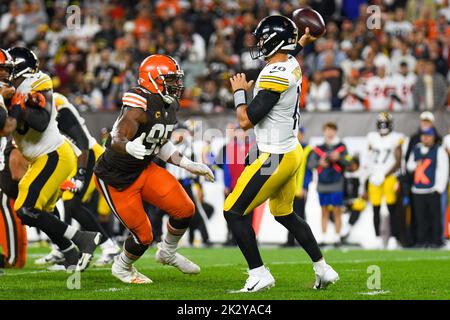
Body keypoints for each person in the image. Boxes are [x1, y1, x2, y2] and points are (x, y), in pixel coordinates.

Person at [225, 15, 338, 293]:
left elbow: (245, 121)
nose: (260, 43)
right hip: (291, 151)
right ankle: (323, 269)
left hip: (274, 157)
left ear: (275, 42)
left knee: (233, 212)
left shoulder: (277, 73)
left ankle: (259, 273)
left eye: (263, 39)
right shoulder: (289, 63)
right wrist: (303, 41)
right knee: (284, 213)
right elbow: (288, 53)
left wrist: (240, 94)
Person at [94, 54, 214, 284]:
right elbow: (117, 136)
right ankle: (122, 267)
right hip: (116, 178)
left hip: (143, 168)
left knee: (185, 209)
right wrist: (128, 146)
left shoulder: (168, 104)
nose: (176, 85)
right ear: (152, 79)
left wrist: (187, 164)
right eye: (170, 79)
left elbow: (159, 140)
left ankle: (167, 252)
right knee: (143, 237)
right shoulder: (139, 102)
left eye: (176, 79)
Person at [0, 47, 100, 271]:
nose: (5, 75)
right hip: (40, 158)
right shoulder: (5, 93)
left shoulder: (36, 81)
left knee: (25, 208)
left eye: (7, 70)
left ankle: (82, 239)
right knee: (37, 212)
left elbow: (41, 121)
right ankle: (72, 253)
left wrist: (18, 104)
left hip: (54, 154)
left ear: (18, 69)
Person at [35, 92, 120, 268]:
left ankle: (95, 247)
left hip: (86, 156)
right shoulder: (38, 107)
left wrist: (80, 174)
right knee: (57, 204)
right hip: (69, 159)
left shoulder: (56, 104)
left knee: (70, 204)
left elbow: (82, 142)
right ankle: (65, 249)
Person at [366, 112, 404, 249]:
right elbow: (369, 157)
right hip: (375, 176)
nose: (383, 126)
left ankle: (393, 238)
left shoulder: (396, 138)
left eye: (385, 123)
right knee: (375, 208)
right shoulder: (372, 137)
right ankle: (377, 238)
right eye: (381, 123)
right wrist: (372, 173)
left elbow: (398, 161)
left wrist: (384, 174)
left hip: (389, 177)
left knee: (392, 208)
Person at [309, 122, 350, 245]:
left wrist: (339, 159)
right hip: (322, 183)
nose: (330, 133)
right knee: (324, 211)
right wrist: (319, 163)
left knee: (337, 210)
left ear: (335, 131)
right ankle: (323, 236)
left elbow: (348, 163)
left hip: (337, 182)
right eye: (327, 130)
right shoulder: (318, 148)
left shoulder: (341, 147)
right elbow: (310, 164)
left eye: (332, 130)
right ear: (324, 132)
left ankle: (337, 237)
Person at [407, 127, 448, 247]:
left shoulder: (439, 149)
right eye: (424, 135)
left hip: (432, 189)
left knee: (435, 217)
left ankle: (436, 241)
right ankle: (421, 240)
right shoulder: (417, 149)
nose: (426, 138)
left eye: (428, 136)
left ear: (433, 137)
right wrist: (416, 164)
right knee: (420, 218)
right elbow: (409, 167)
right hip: (418, 189)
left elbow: (443, 169)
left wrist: (439, 188)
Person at [0, 137, 28, 268]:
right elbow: (17, 174)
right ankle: (11, 257)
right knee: (14, 261)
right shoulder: (15, 141)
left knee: (20, 261)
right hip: (5, 189)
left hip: (11, 190)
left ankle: (14, 257)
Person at [284, 125, 312, 247]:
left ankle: (303, 241)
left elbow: (309, 171)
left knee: (300, 215)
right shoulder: (289, 148)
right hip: (289, 187)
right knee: (288, 214)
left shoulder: (307, 150)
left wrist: (304, 187)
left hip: (300, 188)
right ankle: (290, 240)